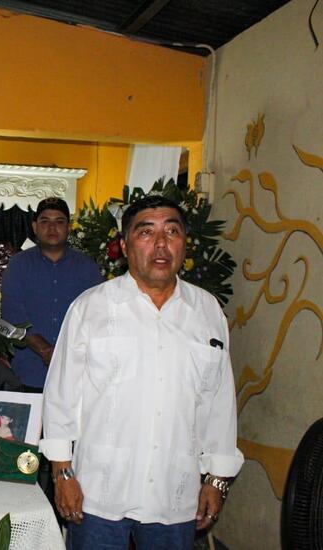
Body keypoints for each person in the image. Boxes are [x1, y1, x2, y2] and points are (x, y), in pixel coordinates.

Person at [42, 195, 244, 549]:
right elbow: (60, 398)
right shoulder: (91, 308)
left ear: (184, 242)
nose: (161, 244)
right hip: (99, 493)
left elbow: (220, 401)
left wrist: (217, 479)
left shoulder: (206, 311)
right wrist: (63, 474)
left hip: (175, 493)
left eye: (172, 231)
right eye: (146, 233)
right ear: (124, 245)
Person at [1, 197, 102, 391]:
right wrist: (46, 350)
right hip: (28, 371)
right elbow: (13, 315)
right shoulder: (18, 265)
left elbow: (97, 316)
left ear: (69, 227)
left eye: (59, 221)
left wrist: (68, 353)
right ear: (34, 227)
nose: (52, 227)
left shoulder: (87, 268)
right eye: (45, 221)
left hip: (77, 374)